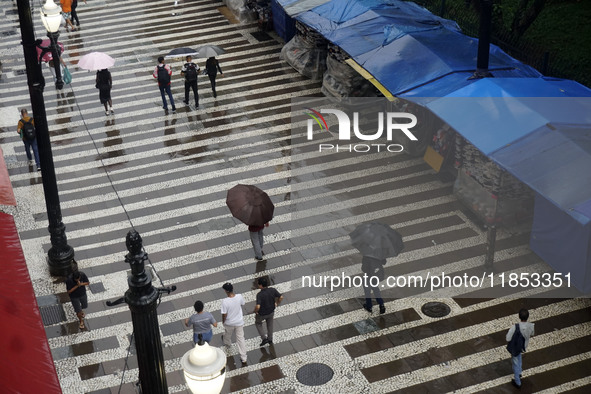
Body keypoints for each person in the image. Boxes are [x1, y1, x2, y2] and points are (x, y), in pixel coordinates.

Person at [506, 308, 535, 389]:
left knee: (515, 363)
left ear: (519, 316)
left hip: (515, 347)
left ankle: (517, 382)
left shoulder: (515, 327)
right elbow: (532, 334)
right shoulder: (531, 326)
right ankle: (519, 372)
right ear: (528, 317)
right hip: (523, 346)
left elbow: (508, 338)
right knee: (519, 357)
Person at [220, 283, 248, 365]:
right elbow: (243, 303)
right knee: (240, 339)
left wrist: (223, 321)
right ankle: (244, 357)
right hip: (239, 322)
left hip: (229, 323)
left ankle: (227, 344)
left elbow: (224, 314)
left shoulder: (225, 302)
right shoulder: (239, 296)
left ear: (225, 291)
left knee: (227, 334)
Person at [253, 277, 282, 347]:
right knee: (270, 325)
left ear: (260, 285)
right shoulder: (272, 290)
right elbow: (281, 297)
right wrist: (277, 303)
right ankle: (270, 339)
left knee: (258, 323)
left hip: (262, 314)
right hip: (271, 311)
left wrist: (255, 311)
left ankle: (264, 338)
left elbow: (258, 306)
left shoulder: (259, 295)